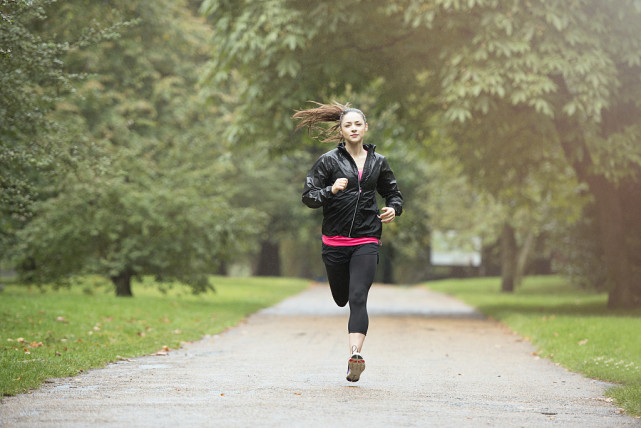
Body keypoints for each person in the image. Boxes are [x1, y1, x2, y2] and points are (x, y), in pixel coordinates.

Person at [294, 101, 403, 382]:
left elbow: (393, 192)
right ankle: (354, 349)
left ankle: (355, 355)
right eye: (348, 125)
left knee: (358, 297)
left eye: (358, 124)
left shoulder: (378, 162)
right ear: (341, 131)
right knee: (342, 297)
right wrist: (330, 190)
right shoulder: (328, 161)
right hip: (334, 242)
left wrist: (394, 207)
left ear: (366, 128)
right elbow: (308, 196)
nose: (353, 129)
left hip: (367, 238)